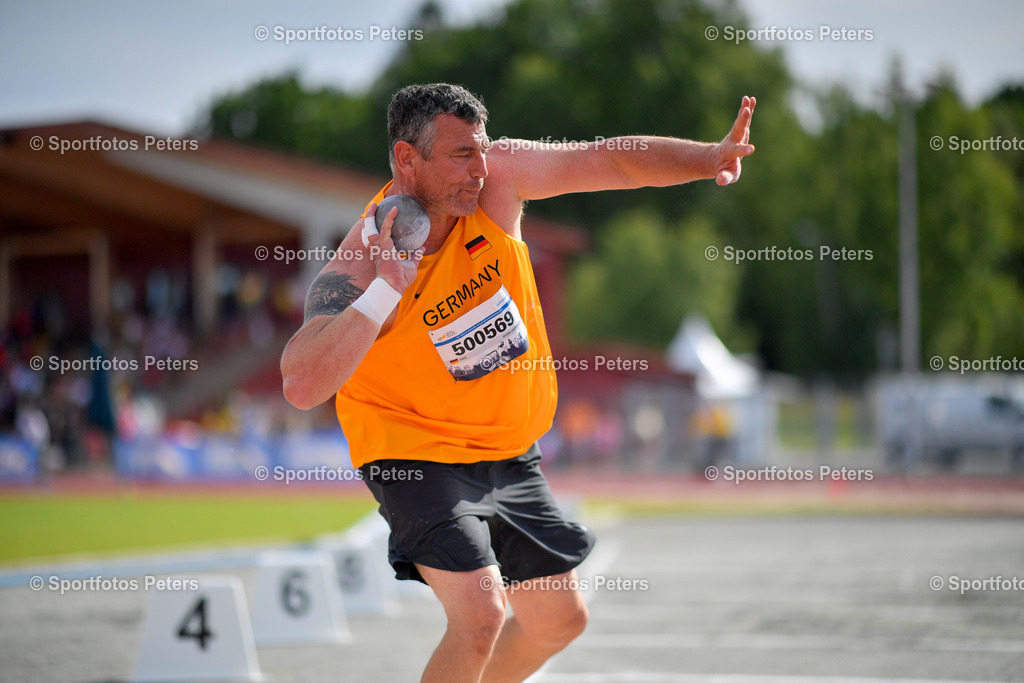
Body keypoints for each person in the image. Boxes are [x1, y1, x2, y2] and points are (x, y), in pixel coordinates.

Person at [281, 83, 755, 683]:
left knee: (558, 622)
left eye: (480, 149)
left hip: (507, 449)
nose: (479, 169)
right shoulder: (361, 260)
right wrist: (387, 290)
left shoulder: (497, 182)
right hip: (413, 453)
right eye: (459, 155)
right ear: (407, 159)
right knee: (480, 615)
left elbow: (608, 158)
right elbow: (300, 384)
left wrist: (708, 157)